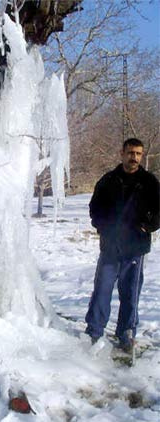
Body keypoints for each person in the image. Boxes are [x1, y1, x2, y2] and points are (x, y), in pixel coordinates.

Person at [85, 138, 160, 351]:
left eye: (137, 154)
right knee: (101, 291)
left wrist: (148, 225)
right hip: (110, 247)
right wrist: (102, 226)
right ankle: (94, 332)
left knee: (130, 293)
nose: (133, 157)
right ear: (122, 153)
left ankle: (126, 333)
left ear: (141, 156)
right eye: (130, 153)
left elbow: (159, 211)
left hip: (135, 249)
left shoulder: (149, 182)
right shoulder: (108, 180)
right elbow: (95, 208)